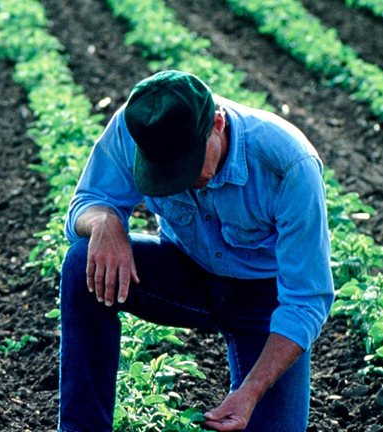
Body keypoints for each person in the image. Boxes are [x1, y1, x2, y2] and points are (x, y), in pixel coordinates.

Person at [58, 70, 334, 432]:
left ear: (217, 123)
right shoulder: (140, 128)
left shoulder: (287, 164)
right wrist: (104, 221)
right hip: (183, 271)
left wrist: (251, 390)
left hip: (262, 299)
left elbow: (307, 299)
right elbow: (89, 200)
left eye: (187, 166)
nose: (181, 180)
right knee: (82, 264)